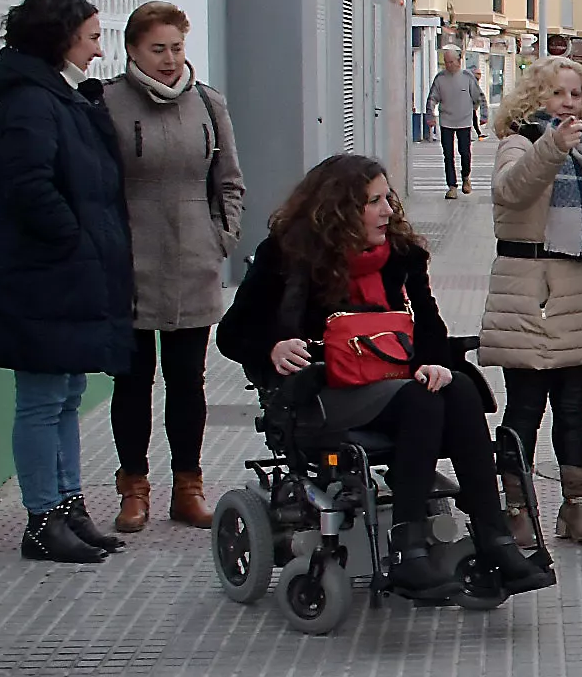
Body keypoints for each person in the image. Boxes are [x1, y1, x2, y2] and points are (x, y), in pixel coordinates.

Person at [215, 155, 555, 600]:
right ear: (339, 208)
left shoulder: (402, 255)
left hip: (393, 381)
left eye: (387, 198)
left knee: (459, 386)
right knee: (422, 400)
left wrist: (434, 362)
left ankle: (494, 537)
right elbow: (232, 333)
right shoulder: (288, 253)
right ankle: (408, 549)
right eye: (373, 202)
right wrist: (272, 347)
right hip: (322, 393)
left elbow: (428, 324)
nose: (388, 210)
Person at [0, 0, 135, 564]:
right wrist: (76, 240)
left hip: (65, 276)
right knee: (41, 400)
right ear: (61, 39)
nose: (97, 50)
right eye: (91, 38)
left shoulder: (59, 98)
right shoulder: (29, 103)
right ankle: (42, 518)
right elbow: (28, 186)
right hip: (42, 278)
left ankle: (68, 506)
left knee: (65, 395)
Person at [101, 1, 245, 533]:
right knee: (133, 380)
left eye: (176, 48)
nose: (168, 60)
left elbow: (229, 178)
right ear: (133, 50)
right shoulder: (108, 103)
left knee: (188, 381)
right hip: (132, 263)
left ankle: (189, 485)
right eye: (157, 49)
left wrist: (221, 238)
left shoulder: (208, 103)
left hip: (194, 260)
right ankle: (133, 487)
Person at [480, 55, 582, 546]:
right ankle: (516, 509)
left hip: (577, 290)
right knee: (523, 409)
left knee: (573, 408)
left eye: (575, 94)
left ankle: (577, 507)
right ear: (535, 98)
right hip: (530, 294)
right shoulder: (518, 143)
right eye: (557, 93)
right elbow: (511, 191)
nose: (567, 103)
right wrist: (549, 149)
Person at [428, 46, 487, 197]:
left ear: (459, 62)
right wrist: (430, 115)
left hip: (464, 121)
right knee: (448, 154)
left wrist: (483, 115)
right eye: (446, 62)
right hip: (446, 121)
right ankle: (452, 186)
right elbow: (432, 98)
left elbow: (479, 97)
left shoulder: (467, 78)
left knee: (465, 153)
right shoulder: (440, 79)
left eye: (451, 62)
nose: (449, 65)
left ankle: (466, 177)